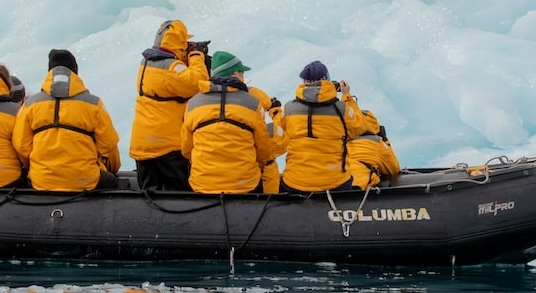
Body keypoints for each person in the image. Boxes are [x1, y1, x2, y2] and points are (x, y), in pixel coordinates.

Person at [13, 49, 121, 192]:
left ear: (50, 72)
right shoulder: (94, 104)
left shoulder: (30, 104)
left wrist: (36, 168)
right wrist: (108, 169)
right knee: (113, 182)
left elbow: (21, 145)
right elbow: (108, 145)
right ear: (75, 72)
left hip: (42, 180)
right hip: (84, 180)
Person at [129, 19, 209, 191]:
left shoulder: (146, 63)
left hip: (142, 145)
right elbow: (198, 83)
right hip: (167, 146)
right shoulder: (171, 67)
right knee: (180, 196)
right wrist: (196, 55)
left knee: (149, 196)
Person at [180, 51, 273, 194]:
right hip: (244, 184)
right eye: (241, 72)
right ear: (235, 73)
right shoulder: (253, 103)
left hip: (203, 183)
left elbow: (186, 148)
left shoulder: (193, 104)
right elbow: (264, 150)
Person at [279, 60, 367, 192]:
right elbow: (359, 127)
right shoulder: (342, 109)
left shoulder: (288, 108)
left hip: (295, 181)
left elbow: (278, 137)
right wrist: (347, 96)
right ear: (327, 80)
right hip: (335, 182)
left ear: (304, 82)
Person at [346, 109, 401, 189]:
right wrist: (385, 141)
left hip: (335, 183)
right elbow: (393, 169)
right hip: (359, 185)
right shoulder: (376, 141)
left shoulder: (339, 141)